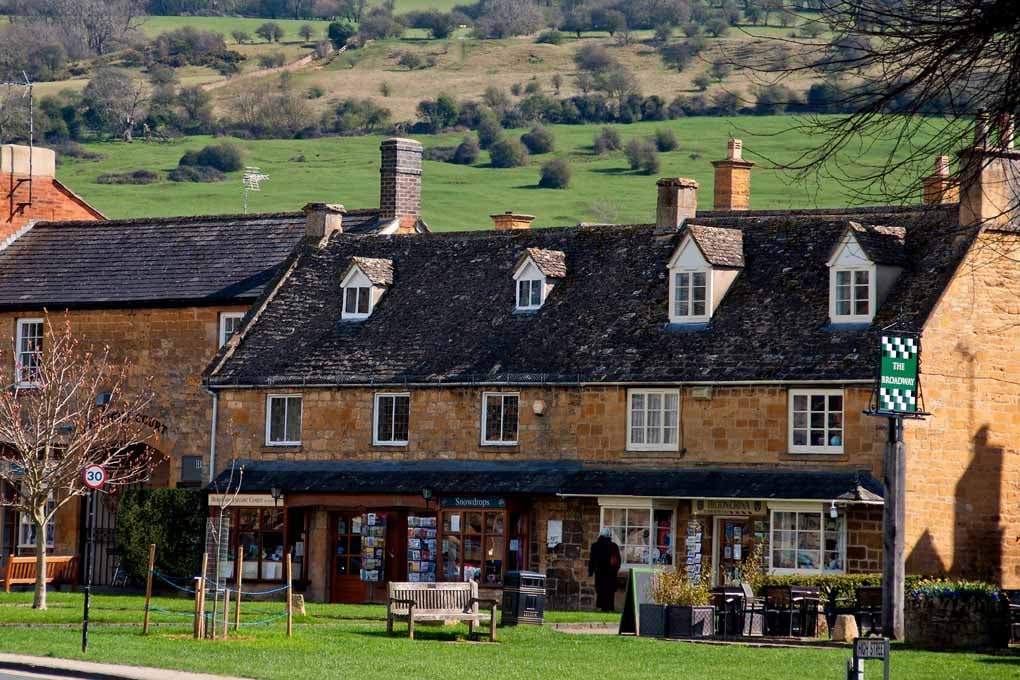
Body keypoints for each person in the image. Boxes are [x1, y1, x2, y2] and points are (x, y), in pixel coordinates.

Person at [588, 528, 621, 612]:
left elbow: (592, 560)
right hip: (611, 573)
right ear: (609, 536)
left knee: (601, 590)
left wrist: (591, 571)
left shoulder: (595, 546)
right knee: (610, 591)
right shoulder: (613, 546)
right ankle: (610, 608)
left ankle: (602, 607)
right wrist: (615, 570)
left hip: (599, 572)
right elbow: (618, 560)